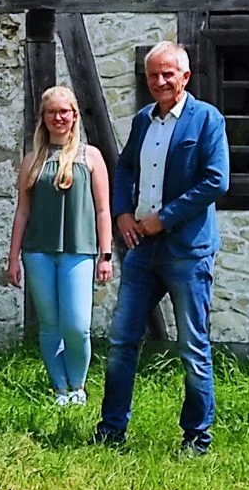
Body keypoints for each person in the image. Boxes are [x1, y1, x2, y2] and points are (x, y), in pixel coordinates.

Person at [94, 42, 230, 453]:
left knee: (192, 346)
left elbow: (215, 181)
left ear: (185, 77)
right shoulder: (143, 120)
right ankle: (111, 431)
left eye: (168, 73)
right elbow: (126, 167)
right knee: (121, 341)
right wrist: (122, 214)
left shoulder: (206, 119)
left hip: (188, 251)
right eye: (153, 74)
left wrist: (164, 217)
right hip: (143, 252)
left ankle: (196, 439)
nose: (159, 81)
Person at [7, 85, 113, 407]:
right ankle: (60, 389)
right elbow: (22, 211)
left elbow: (103, 209)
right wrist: (13, 258)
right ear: (43, 118)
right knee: (50, 325)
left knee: (77, 326)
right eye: (51, 112)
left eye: (64, 111)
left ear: (74, 115)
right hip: (38, 252)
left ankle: (77, 387)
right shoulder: (32, 160)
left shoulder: (90, 156)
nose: (58, 117)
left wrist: (106, 256)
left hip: (79, 251)